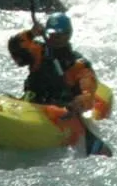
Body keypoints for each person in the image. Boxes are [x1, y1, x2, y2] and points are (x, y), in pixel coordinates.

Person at [7, 12, 111, 153]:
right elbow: (15, 48)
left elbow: (88, 93)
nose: (55, 38)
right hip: (33, 105)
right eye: (52, 34)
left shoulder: (78, 65)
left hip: (61, 111)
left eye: (59, 35)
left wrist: (79, 102)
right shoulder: (38, 51)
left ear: (68, 35)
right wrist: (31, 33)